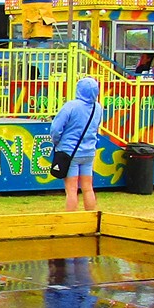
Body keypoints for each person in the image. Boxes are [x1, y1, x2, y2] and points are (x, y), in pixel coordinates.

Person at [48, 74, 104, 211]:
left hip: (69, 152)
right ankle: (90, 220)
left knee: (71, 190)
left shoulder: (71, 106)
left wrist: (57, 142)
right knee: (88, 187)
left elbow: (55, 129)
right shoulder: (98, 108)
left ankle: (71, 222)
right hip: (89, 151)